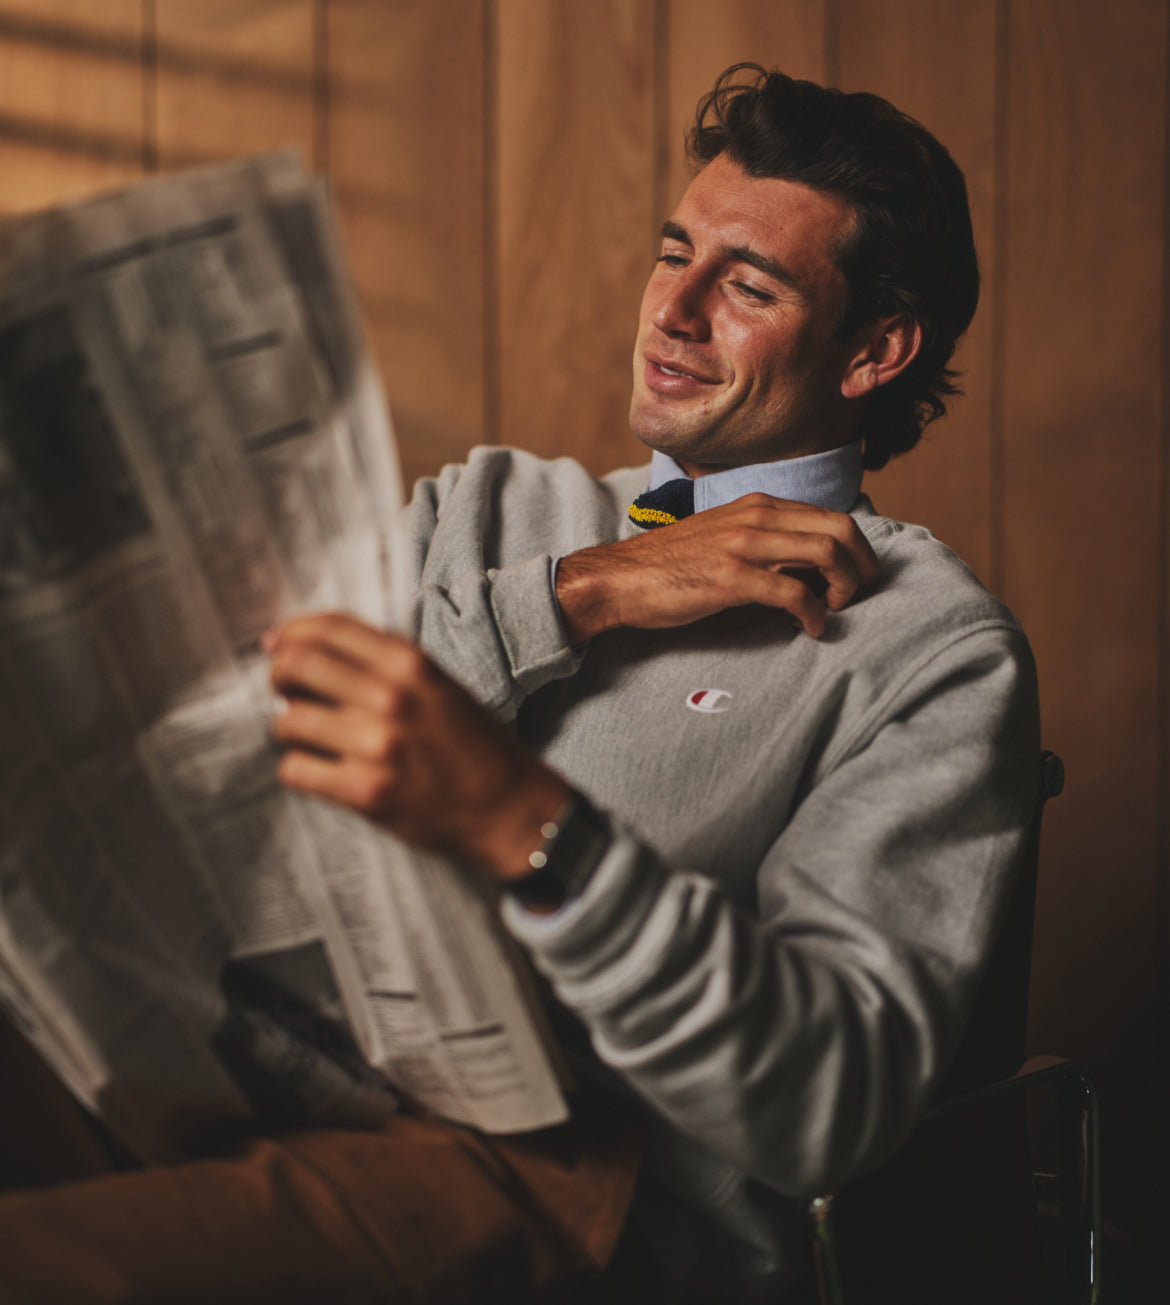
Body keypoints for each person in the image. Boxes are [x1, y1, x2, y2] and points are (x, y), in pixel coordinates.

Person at [0, 65, 1038, 1305]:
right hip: (247, 1067)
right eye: (673, 255)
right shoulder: (485, 508)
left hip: (570, 1184)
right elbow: (251, 743)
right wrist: (580, 592)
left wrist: (523, 827)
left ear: (873, 351)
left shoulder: (933, 647)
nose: (676, 310)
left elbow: (824, 1098)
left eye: (748, 285)